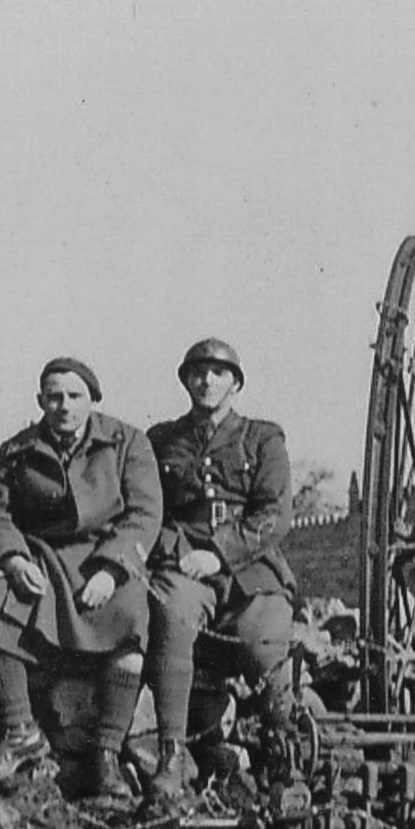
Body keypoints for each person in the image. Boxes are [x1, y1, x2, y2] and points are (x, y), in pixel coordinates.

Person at [0, 357, 162, 801]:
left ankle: (106, 752)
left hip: (105, 559)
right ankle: (20, 731)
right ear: (40, 400)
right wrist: (14, 559)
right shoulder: (17, 450)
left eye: (75, 396)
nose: (64, 406)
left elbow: (145, 513)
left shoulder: (128, 442)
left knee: (131, 617)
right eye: (54, 397)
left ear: (93, 399)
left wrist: (112, 569)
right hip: (42, 561)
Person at [142, 338, 296, 801]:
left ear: (236, 384)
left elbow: (273, 515)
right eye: (197, 373)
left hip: (250, 568)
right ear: (185, 381)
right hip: (184, 562)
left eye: (217, 373)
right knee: (171, 612)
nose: (206, 381)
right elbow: (148, 509)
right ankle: (171, 754)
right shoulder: (161, 441)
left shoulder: (263, 438)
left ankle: (281, 751)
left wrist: (219, 553)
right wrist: (176, 550)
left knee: (265, 636)